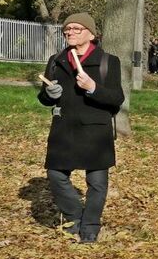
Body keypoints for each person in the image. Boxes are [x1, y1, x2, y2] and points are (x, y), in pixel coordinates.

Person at [36, 13, 124, 243]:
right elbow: (44, 98)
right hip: (63, 128)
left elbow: (117, 98)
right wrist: (48, 94)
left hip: (95, 131)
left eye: (77, 28)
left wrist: (94, 87)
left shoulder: (108, 61)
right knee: (55, 174)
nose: (70, 32)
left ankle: (90, 226)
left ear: (91, 34)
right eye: (67, 29)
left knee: (97, 182)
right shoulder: (56, 60)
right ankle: (75, 217)